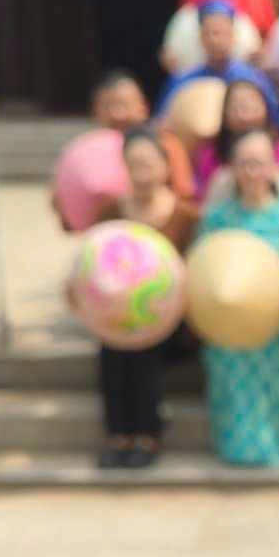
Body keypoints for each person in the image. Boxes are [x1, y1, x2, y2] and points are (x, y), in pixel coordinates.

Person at [85, 127, 199, 470]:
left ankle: (147, 433)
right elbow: (92, 262)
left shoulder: (186, 216)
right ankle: (118, 434)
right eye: (134, 164)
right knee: (113, 345)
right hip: (119, 315)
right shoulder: (111, 213)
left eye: (149, 163)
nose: (142, 172)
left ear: (165, 167)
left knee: (143, 343)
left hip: (172, 320)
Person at [196, 129, 279, 468]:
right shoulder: (217, 217)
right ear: (231, 169)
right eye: (243, 164)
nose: (251, 172)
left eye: (258, 164)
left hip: (278, 319)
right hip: (226, 318)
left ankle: (274, 445)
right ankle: (235, 446)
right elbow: (201, 265)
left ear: (274, 168)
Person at [57, 71, 194, 215]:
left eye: (124, 104)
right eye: (108, 106)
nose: (117, 114)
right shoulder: (83, 152)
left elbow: (184, 195)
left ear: (143, 107)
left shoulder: (166, 144)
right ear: (95, 111)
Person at [156, 0, 279, 124]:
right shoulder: (183, 81)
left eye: (222, 32)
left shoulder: (253, 79)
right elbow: (162, 121)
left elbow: (276, 121)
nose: (215, 40)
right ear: (201, 37)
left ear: (233, 36)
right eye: (210, 33)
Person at [193, 79, 279, 198]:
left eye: (251, 105)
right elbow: (205, 200)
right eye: (236, 107)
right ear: (225, 113)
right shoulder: (212, 155)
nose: (244, 114)